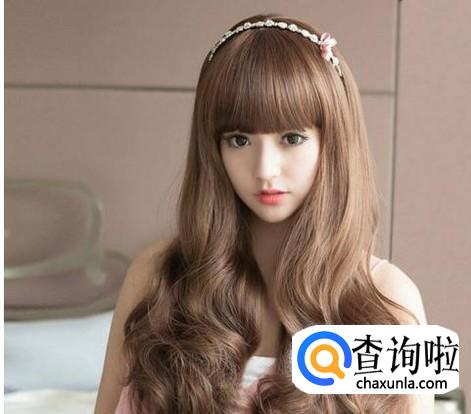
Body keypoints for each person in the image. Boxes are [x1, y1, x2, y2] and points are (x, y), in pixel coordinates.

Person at [94, 13, 434, 413]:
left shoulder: (387, 298)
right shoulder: (158, 277)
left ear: (332, 142)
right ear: (213, 148)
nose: (265, 169)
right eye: (239, 140)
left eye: (292, 137)